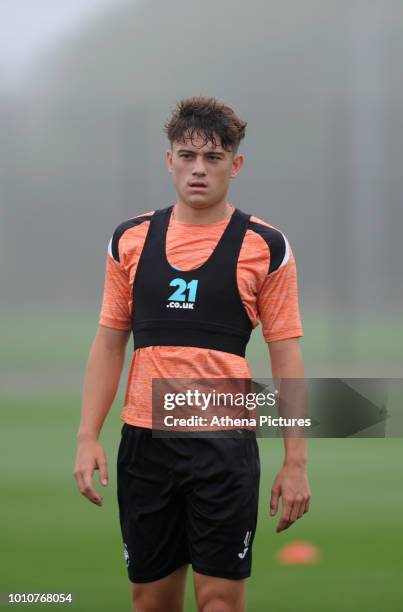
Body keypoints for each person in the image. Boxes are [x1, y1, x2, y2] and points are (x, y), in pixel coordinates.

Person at [74, 96, 311, 612]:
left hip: (222, 447)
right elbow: (110, 341)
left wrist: (296, 460)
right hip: (144, 447)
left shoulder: (266, 245)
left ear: (236, 165)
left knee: (220, 603)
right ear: (169, 161)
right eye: (187, 156)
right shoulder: (130, 239)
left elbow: (286, 357)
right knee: (151, 604)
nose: (199, 169)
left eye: (214, 157)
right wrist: (88, 435)